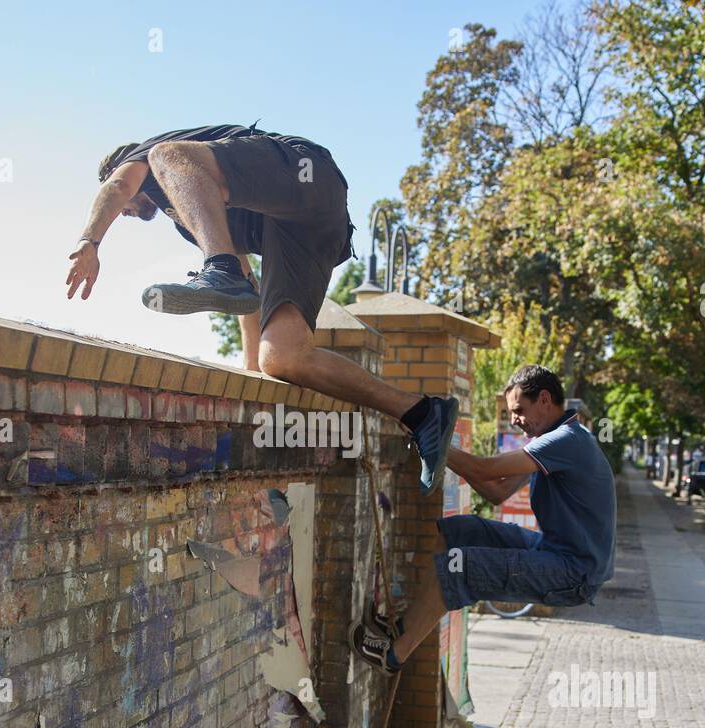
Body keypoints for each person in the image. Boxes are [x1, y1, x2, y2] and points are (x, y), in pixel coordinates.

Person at [64, 122, 456, 495]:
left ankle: (216, 267)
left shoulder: (148, 158)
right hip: (306, 227)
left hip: (307, 175)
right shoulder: (193, 216)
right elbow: (245, 289)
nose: (126, 213)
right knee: (283, 357)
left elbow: (117, 185)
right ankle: (421, 414)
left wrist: (90, 240)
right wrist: (251, 372)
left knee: (166, 156)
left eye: (124, 207)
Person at [352, 364, 616, 673]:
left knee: (456, 565)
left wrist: (433, 440)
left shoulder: (568, 440)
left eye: (519, 410)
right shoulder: (550, 442)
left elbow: (483, 470)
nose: (515, 420)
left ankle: (393, 654)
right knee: (457, 532)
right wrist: (435, 445)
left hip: (574, 572)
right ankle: (403, 627)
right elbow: (497, 490)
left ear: (545, 399)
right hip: (553, 551)